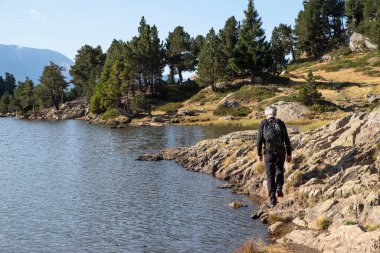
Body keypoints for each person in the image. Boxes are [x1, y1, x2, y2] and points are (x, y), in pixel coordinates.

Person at [257, 106, 292, 207]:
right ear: (275, 113)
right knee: (279, 169)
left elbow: (259, 140)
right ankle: (279, 187)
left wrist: (259, 154)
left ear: (266, 114)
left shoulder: (263, 123)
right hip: (281, 151)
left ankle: (272, 199)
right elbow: (287, 140)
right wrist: (289, 154)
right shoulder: (280, 123)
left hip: (268, 153)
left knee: (270, 175)